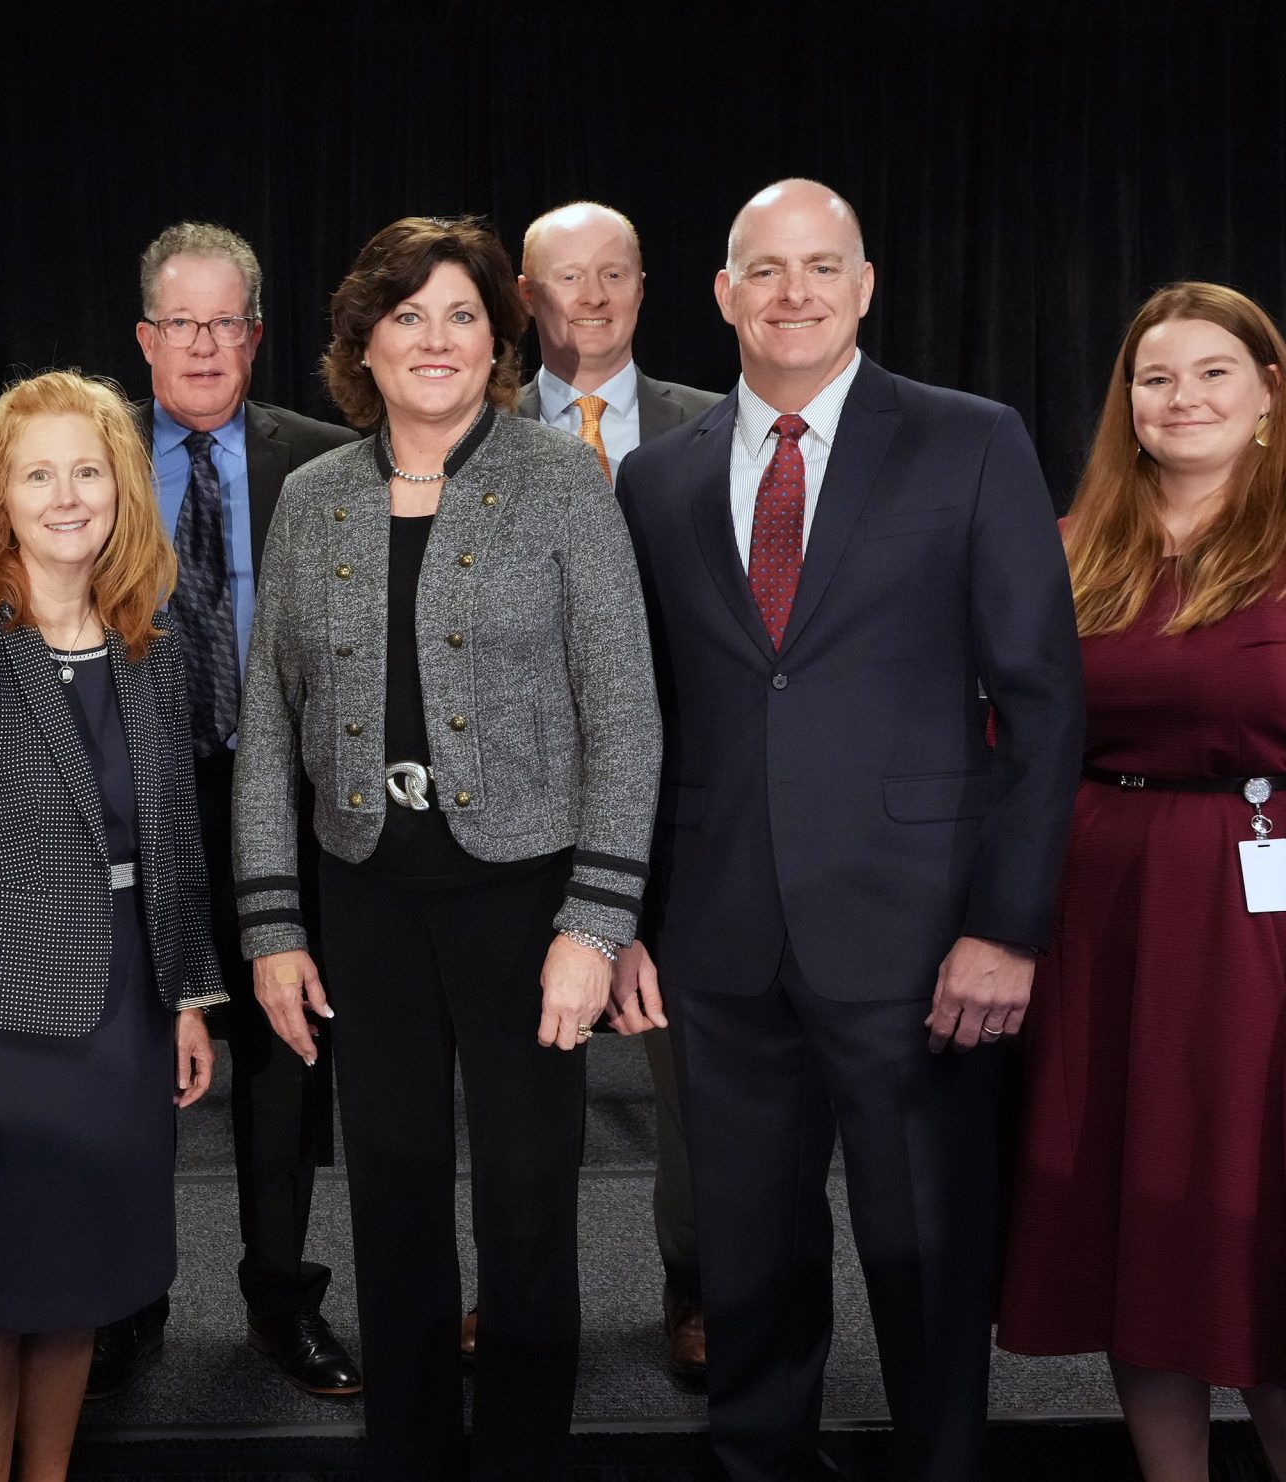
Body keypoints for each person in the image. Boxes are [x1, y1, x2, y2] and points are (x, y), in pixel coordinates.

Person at [610, 179, 1084, 1482]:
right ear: (723, 296)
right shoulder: (658, 479)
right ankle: (759, 1461)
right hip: (719, 933)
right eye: (766, 270)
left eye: (822, 267)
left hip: (923, 932)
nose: (795, 292)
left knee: (925, 1249)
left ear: (867, 285)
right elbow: (642, 720)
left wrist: (1007, 923)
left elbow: (1044, 703)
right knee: (749, 1257)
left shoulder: (969, 440)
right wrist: (635, 920)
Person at [997, 282, 1286, 1481]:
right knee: (1135, 1220)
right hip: (1100, 924)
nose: (1181, 397)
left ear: (1267, 398)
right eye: (1156, 377)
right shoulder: (1067, 546)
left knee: (1266, 1234)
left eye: (1213, 372)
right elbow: (1012, 741)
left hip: (1270, 935)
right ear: (1126, 404)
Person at [234, 216, 660, 1480]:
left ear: (499, 340)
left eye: (462, 315)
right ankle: (409, 1448)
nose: (435, 340)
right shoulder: (310, 500)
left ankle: (523, 1451)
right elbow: (268, 724)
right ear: (361, 342)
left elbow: (625, 718)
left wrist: (595, 927)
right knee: (393, 1194)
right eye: (407, 315)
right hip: (366, 898)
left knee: (530, 1199)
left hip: (525, 901)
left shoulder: (560, 484)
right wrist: (270, 927)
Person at [0, 369, 223, 1480]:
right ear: (0, 500)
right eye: (39, 475)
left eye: (88, 471)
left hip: (124, 1015)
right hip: (1, 1032)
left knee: (79, 1289)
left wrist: (187, 997)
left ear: (123, 488)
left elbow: (174, 841)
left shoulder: (153, 648)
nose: (66, 496)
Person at [93, 220, 362, 1400]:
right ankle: (123, 1299)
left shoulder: (323, 460)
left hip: (284, 805)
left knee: (282, 1063)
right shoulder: (85, 453)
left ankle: (278, 1297)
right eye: (180, 323)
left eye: (225, 323)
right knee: (130, 1058)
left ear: (256, 338)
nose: (203, 345)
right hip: (129, 798)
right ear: (145, 339)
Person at [509, 196, 720, 1384]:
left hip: (687, 803)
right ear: (523, 299)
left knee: (691, 1077)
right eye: (561, 280)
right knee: (515, 1078)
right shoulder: (466, 431)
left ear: (643, 291)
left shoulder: (720, 431)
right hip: (519, 805)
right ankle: (526, 1299)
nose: (586, 301)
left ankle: (697, 1286)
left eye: (611, 278)